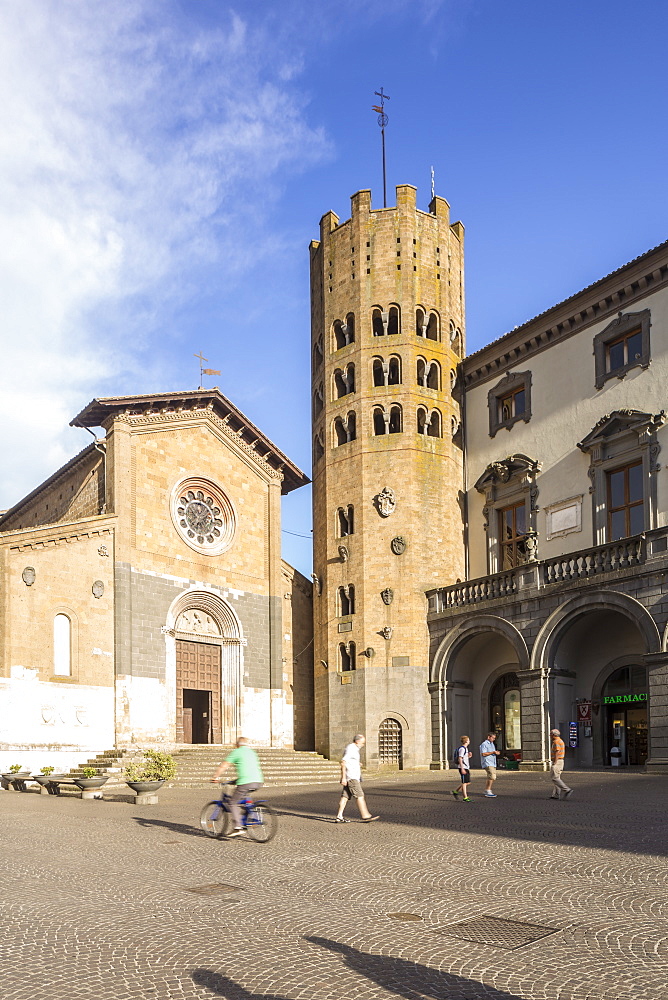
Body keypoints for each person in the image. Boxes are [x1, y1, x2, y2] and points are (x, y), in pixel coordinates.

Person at [211, 737, 264, 837]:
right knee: (244, 800)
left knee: (232, 802)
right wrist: (235, 781)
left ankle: (238, 827)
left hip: (245, 782)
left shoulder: (237, 752)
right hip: (258, 781)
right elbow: (249, 768)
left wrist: (215, 776)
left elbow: (224, 765)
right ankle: (250, 816)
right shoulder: (252, 752)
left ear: (237, 745)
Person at [335, 734, 379, 823]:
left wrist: (357, 764)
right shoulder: (351, 748)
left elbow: (350, 761)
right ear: (358, 741)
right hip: (352, 778)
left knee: (345, 797)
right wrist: (343, 777)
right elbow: (343, 762)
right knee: (360, 795)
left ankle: (339, 816)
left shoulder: (354, 749)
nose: (363, 745)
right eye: (362, 743)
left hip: (351, 777)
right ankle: (365, 815)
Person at [549, 728, 573, 800]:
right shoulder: (560, 741)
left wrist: (555, 762)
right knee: (557, 777)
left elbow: (557, 752)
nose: (549, 735)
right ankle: (556, 795)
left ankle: (567, 789)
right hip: (561, 761)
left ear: (554, 735)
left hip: (558, 761)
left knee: (554, 778)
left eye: (550, 734)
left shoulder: (556, 742)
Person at [479, 731, 501, 797]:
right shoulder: (484, 744)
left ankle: (487, 790)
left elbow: (492, 752)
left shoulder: (492, 744)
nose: (494, 739)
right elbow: (483, 753)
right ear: (489, 737)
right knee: (492, 776)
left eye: (494, 738)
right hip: (487, 762)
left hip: (492, 762)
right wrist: (493, 752)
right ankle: (488, 790)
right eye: (493, 738)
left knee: (492, 776)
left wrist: (496, 752)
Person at [452, 735, 472, 801]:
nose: (469, 741)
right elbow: (460, 758)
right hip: (462, 767)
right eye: (468, 740)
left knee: (467, 782)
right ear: (466, 741)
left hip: (466, 767)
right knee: (464, 782)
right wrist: (462, 768)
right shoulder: (462, 749)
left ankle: (456, 791)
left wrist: (469, 756)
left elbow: (464, 758)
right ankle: (465, 797)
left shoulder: (465, 749)